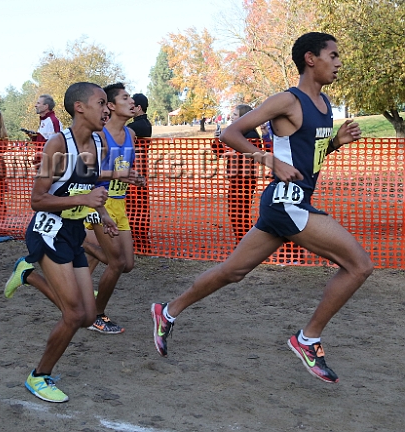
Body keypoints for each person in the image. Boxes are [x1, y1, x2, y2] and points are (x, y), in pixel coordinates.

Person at [151, 32, 373, 384]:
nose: (339, 62)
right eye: (333, 55)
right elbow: (229, 133)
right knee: (359, 265)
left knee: (231, 272)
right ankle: (307, 339)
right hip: (287, 203)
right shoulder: (287, 100)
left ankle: (168, 310)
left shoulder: (325, 104)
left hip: (291, 202)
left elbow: (303, 159)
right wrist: (267, 159)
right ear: (311, 59)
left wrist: (334, 143)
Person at [3, 82, 115, 403]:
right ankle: (38, 377)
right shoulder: (57, 145)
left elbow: (87, 189)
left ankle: (26, 275)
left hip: (74, 232)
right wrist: (86, 198)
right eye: (101, 102)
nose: (106, 109)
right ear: (79, 107)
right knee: (74, 314)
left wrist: (102, 214)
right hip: (47, 231)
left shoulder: (97, 143)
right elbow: (37, 200)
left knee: (88, 315)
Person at [82, 83, 145, 334]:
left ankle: (75, 285)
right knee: (115, 262)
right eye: (125, 98)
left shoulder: (131, 135)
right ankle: (96, 315)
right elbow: (86, 173)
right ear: (110, 105)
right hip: (99, 203)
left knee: (127, 264)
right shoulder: (99, 136)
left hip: (119, 203)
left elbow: (127, 168)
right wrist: (119, 173)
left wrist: (135, 177)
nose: (132, 103)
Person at [211, 104, 262, 242]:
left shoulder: (251, 135)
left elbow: (250, 154)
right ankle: (243, 242)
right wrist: (217, 140)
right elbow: (220, 153)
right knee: (235, 213)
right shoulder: (235, 133)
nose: (231, 117)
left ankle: (246, 242)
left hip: (245, 179)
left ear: (243, 117)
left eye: (235, 114)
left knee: (240, 213)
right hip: (235, 179)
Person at [126, 93, 152, 252]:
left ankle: (140, 240)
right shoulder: (141, 124)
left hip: (136, 170)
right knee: (138, 206)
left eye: (132, 106)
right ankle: (139, 240)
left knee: (137, 206)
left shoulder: (138, 126)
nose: (130, 108)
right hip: (137, 169)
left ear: (138, 108)